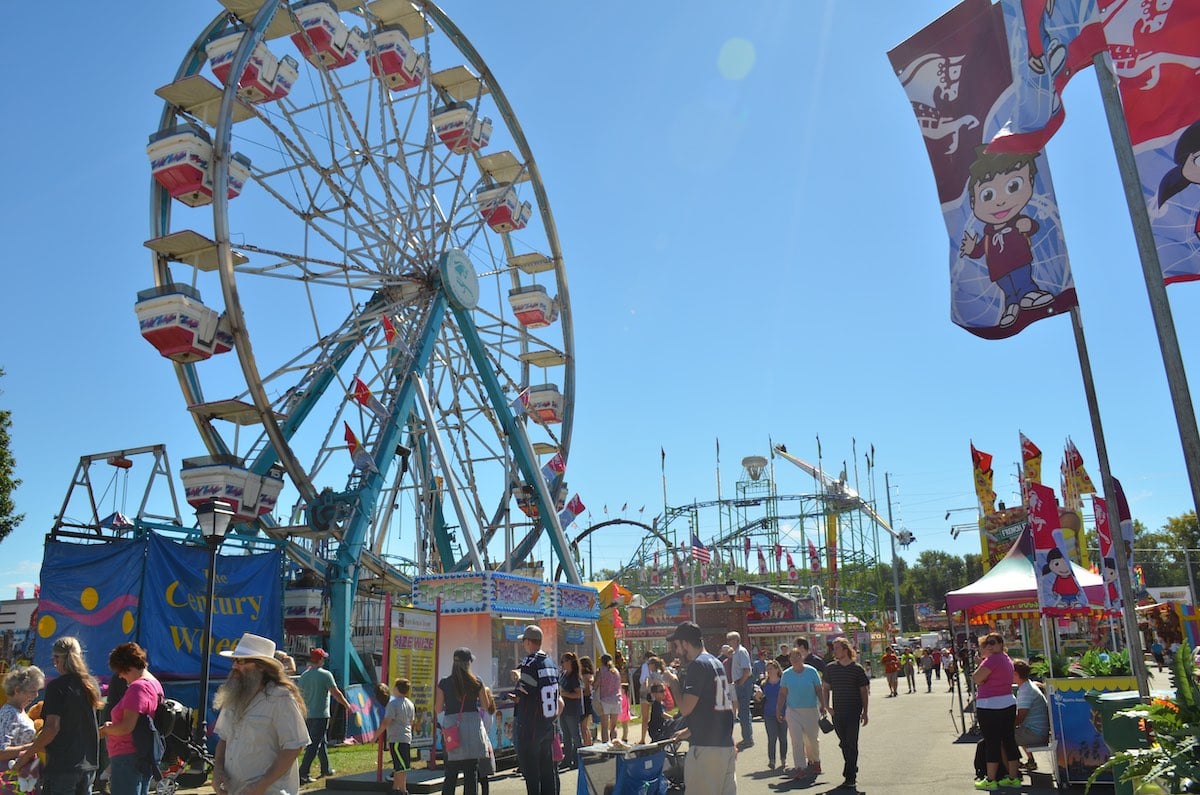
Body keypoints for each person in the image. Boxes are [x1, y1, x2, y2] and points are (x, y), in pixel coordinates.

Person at [211, 633, 310, 795]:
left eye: (241, 661)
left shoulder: (280, 698)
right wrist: (218, 771)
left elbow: (293, 747)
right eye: (233, 661)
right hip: (234, 790)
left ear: (261, 666)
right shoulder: (234, 695)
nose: (234, 666)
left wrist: (261, 785)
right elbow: (224, 739)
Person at [16, 636, 103, 795]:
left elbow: (51, 728)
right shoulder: (91, 685)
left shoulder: (57, 687)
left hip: (63, 766)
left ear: (56, 659)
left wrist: (26, 756)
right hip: (88, 764)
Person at [668, 620, 735, 795]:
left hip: (706, 749)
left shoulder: (697, 665)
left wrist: (674, 684)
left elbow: (685, 708)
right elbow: (712, 708)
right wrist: (689, 731)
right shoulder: (715, 662)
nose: (676, 651)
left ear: (685, 643)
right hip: (724, 745)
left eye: (677, 645)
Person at [98, 642, 165, 795]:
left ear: (127, 667)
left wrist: (107, 729)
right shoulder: (154, 684)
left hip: (127, 756)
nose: (120, 676)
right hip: (143, 753)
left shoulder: (137, 688)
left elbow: (127, 726)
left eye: (120, 672)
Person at [511, 625, 560, 795]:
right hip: (547, 724)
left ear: (529, 642)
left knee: (531, 774)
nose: (523, 645)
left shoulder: (530, 662)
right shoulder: (551, 663)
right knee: (548, 772)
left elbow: (523, 692)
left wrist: (516, 685)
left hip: (531, 726)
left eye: (524, 641)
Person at [971, 633, 1021, 791]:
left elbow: (976, 678)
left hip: (990, 705)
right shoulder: (1005, 658)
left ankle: (990, 779)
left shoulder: (993, 660)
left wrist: (982, 667)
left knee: (992, 742)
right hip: (1007, 703)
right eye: (986, 644)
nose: (989, 646)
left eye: (992, 643)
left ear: (1001, 644)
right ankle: (1013, 777)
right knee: (1009, 741)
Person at [435, 648, 487, 795]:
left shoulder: (444, 683)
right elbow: (485, 704)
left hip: (453, 728)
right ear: (468, 663)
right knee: (471, 772)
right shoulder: (477, 682)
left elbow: (438, 709)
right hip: (471, 727)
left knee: (451, 771)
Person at [820, 637, 869, 792]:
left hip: (854, 711)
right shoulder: (830, 668)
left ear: (846, 650)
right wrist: (827, 706)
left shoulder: (857, 669)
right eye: (833, 648)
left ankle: (850, 777)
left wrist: (865, 712)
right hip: (837, 712)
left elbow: (864, 691)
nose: (834, 651)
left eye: (837, 648)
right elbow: (825, 687)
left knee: (851, 743)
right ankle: (851, 767)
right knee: (844, 743)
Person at [297, 648, 352, 784]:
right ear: (320, 660)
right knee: (314, 744)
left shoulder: (304, 675)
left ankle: (326, 768)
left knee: (321, 741)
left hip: (307, 714)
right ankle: (303, 773)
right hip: (321, 714)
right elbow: (335, 693)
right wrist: (347, 705)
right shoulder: (325, 674)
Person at [779, 648, 824, 781]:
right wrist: (778, 709)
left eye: (797, 656)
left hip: (810, 709)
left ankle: (816, 761)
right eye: (792, 657)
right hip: (793, 711)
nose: (794, 659)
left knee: (811, 739)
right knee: (796, 740)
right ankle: (800, 767)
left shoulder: (811, 671)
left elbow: (819, 689)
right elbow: (782, 693)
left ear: (802, 657)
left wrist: (823, 705)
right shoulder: (787, 674)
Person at [0, 665, 45, 770]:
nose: (36, 695)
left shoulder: (19, 712)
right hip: (10, 778)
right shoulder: (10, 714)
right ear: (17, 690)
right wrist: (31, 747)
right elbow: (1, 751)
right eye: (33, 691)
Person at [377, 678, 414, 794]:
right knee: (400, 765)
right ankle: (395, 788)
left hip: (396, 739)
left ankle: (403, 790)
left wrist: (375, 735)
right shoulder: (410, 704)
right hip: (406, 738)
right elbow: (411, 722)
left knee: (400, 767)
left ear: (397, 689)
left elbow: (386, 721)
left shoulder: (393, 704)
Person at [1012, 660, 1049, 772]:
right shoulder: (1028, 685)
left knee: (1002, 738)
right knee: (1017, 731)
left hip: (1036, 733)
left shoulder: (1026, 691)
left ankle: (1012, 768)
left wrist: (1005, 726)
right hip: (1039, 730)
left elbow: (1020, 718)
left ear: (1015, 674)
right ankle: (1030, 761)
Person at [726, 632, 753, 750]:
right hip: (739, 683)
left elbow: (746, 670)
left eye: (731, 640)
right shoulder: (736, 653)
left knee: (744, 712)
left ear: (737, 640)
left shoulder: (741, 652)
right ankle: (747, 737)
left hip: (743, 683)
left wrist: (741, 683)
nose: (729, 643)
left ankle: (748, 739)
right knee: (742, 712)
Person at [759, 661, 787, 771]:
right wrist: (757, 696)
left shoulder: (783, 682)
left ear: (777, 669)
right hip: (769, 713)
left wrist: (786, 713)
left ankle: (783, 759)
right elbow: (759, 697)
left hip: (782, 713)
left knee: (783, 738)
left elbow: (787, 697)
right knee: (772, 738)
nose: (769, 671)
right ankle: (772, 760)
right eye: (768, 669)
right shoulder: (764, 683)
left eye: (771, 668)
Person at [558, 653, 583, 769]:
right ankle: (566, 759)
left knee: (575, 735)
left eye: (564, 661)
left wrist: (565, 694)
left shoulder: (574, 676)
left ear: (570, 662)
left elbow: (578, 694)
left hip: (572, 710)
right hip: (562, 709)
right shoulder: (563, 675)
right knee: (565, 736)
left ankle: (578, 760)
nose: (562, 663)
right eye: (561, 661)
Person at [595, 655, 621, 743]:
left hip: (605, 700)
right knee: (613, 726)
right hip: (616, 699)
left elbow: (595, 685)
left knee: (604, 726)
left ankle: (605, 745)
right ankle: (614, 744)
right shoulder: (616, 671)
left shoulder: (601, 671)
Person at [614, 651, 632, 742]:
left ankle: (615, 736)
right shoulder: (624, 668)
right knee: (624, 718)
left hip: (617, 692)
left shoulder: (614, 670)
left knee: (614, 717)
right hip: (624, 692)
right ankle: (625, 737)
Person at [578, 657, 595, 747]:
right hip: (588, 700)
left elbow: (587, 691)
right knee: (585, 726)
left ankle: (587, 744)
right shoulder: (590, 675)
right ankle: (588, 742)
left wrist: (581, 692)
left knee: (583, 726)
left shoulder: (585, 676)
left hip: (585, 700)